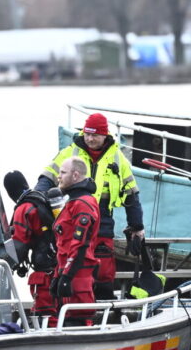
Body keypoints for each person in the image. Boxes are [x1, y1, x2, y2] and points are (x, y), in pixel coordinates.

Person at [37, 113, 143, 301]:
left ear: (105, 135)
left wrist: (137, 227)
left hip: (103, 220)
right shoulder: (70, 152)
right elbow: (47, 177)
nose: (90, 138)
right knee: (73, 265)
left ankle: (103, 310)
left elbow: (131, 194)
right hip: (73, 218)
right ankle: (74, 310)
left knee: (103, 270)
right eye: (87, 134)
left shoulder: (118, 158)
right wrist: (36, 197)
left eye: (95, 135)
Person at [50, 157, 100, 320]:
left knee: (78, 321)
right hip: (69, 273)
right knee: (64, 321)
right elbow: (64, 245)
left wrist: (67, 276)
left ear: (76, 175)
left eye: (63, 173)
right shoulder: (72, 203)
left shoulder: (82, 204)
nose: (59, 176)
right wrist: (58, 276)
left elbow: (80, 245)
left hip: (78, 277)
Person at [3, 171, 59, 316]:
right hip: (58, 262)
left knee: (46, 311)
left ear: (10, 192)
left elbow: (19, 244)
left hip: (44, 267)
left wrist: (3, 264)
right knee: (58, 306)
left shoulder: (24, 208)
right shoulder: (40, 198)